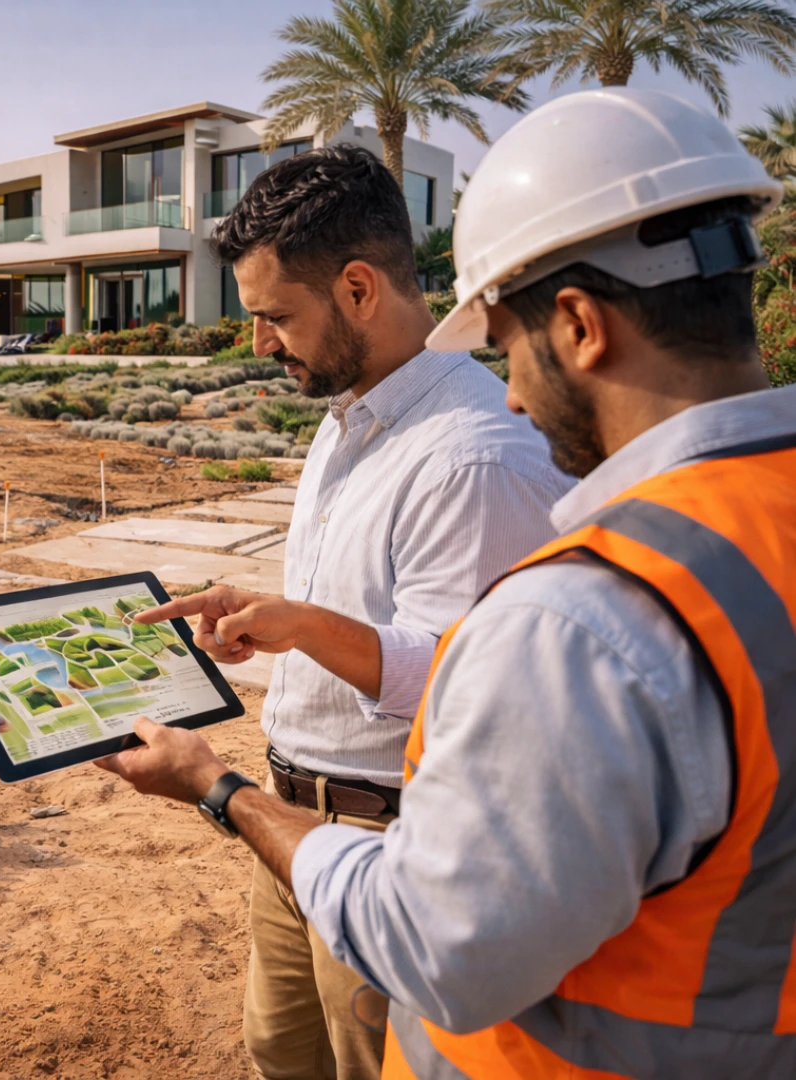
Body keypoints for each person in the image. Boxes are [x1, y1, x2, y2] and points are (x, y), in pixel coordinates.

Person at [97, 87, 794, 1078]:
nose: (510, 394)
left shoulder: (571, 590)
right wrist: (296, 623)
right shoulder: (753, 516)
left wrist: (219, 790)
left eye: (504, 344)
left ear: (579, 325)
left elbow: (445, 944)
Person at [187, 145, 570, 1077]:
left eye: (276, 316)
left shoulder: (473, 455)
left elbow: (460, 685)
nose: (259, 343)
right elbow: (364, 611)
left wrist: (304, 627)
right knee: (281, 1054)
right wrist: (272, 616)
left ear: (358, 288)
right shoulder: (348, 416)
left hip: (391, 846)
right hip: (289, 823)